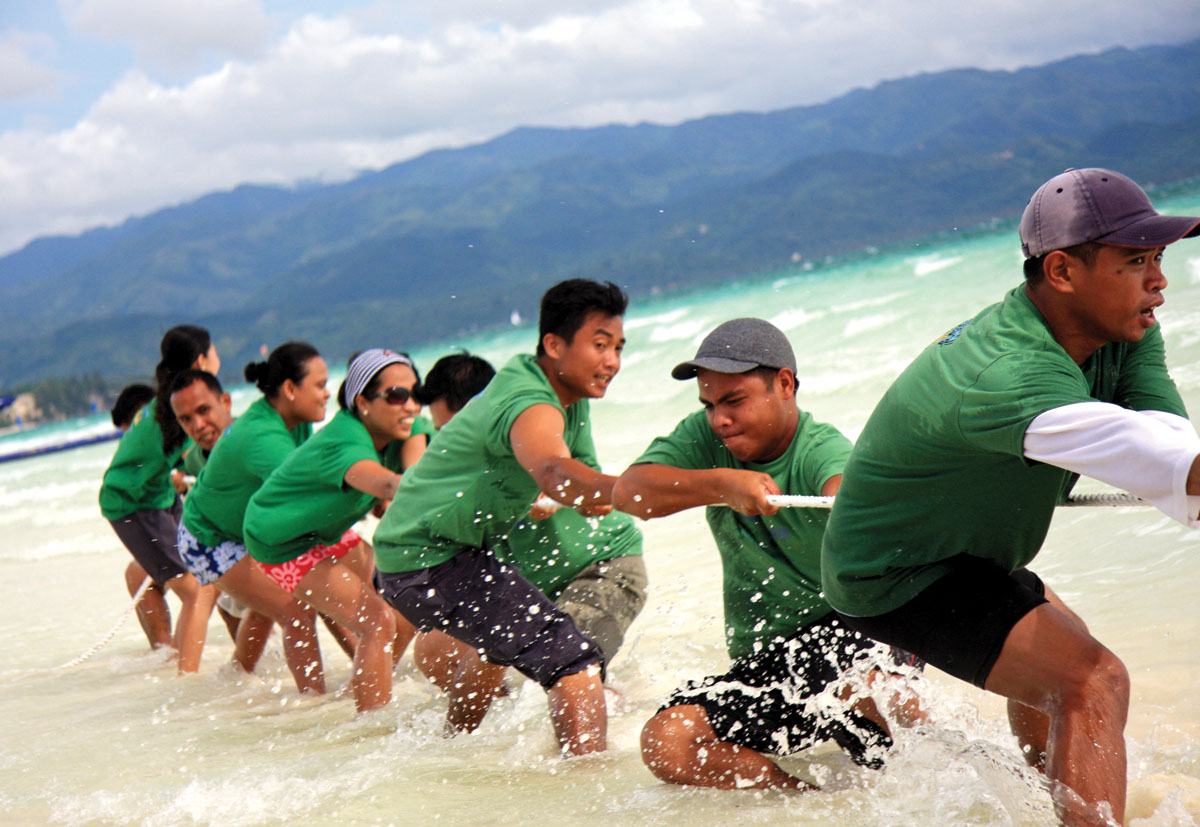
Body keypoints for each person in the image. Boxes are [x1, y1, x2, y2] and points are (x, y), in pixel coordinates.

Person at [820, 168, 1200, 826]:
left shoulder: (1117, 331)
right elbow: (1166, 460)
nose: (1159, 281)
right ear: (1061, 271)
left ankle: (1049, 801)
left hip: (965, 551)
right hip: (892, 571)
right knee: (1092, 680)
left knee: (1068, 655)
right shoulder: (1011, 374)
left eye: (1159, 258)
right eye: (1136, 261)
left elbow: (1169, 440)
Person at [613, 318, 922, 791]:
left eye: (733, 401)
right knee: (666, 742)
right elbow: (630, 494)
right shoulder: (708, 439)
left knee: (881, 709)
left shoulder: (821, 449)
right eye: (710, 405)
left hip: (855, 637)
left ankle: (943, 776)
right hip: (769, 664)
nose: (720, 419)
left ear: (784, 384)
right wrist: (722, 483)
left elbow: (856, 503)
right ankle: (808, 805)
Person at [372, 280, 628, 755]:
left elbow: (577, 477)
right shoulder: (529, 398)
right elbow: (556, 472)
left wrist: (591, 493)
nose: (612, 361)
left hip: (422, 555)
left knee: (496, 651)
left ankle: (454, 754)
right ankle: (593, 789)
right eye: (599, 345)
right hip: (428, 558)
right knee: (574, 663)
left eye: (617, 347)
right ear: (554, 345)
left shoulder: (568, 401)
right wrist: (630, 489)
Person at [409, 352, 648, 700]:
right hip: (536, 589)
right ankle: (506, 723)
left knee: (568, 672)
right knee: (432, 651)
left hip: (602, 568)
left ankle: (618, 728)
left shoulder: (528, 428)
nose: (448, 443)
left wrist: (546, 492)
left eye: (450, 430)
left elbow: (556, 466)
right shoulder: (463, 465)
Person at [243, 348, 428, 713]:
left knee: (395, 607)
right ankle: (371, 728)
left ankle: (360, 694)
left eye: (416, 394)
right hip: (278, 540)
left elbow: (400, 486)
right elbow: (392, 487)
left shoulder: (395, 429)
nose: (410, 405)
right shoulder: (348, 439)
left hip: (318, 531)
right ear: (363, 402)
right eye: (396, 395)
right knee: (378, 622)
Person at [171, 345, 331, 693]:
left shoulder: (282, 425)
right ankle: (314, 702)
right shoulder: (256, 438)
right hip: (210, 538)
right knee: (295, 610)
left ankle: (235, 674)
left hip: (247, 529)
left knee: (271, 604)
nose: (198, 425)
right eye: (186, 420)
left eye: (203, 411)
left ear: (226, 403)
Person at [99, 325, 220, 671]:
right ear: (201, 359)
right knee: (194, 589)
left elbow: (184, 454)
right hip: (131, 504)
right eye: (213, 352)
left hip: (160, 495)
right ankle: (186, 679)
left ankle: (229, 664)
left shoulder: (174, 398)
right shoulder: (177, 402)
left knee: (214, 574)